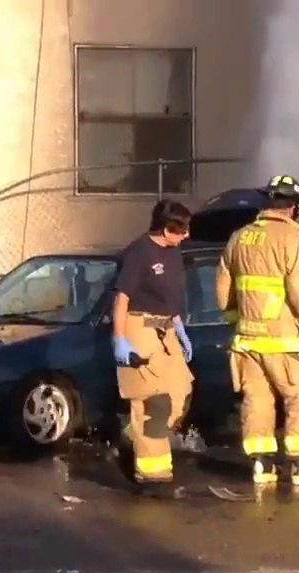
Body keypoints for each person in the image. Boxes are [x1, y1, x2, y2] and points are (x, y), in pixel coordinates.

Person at [215, 175, 299, 486]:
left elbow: (223, 289)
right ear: (295, 208)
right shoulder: (292, 241)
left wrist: (237, 319)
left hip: (248, 342)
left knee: (257, 400)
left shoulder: (239, 238)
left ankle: (261, 466)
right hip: (284, 342)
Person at [111, 199, 195, 499]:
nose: (186, 236)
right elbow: (121, 300)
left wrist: (178, 325)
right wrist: (120, 340)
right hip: (139, 327)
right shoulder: (139, 253)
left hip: (167, 329)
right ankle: (152, 476)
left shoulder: (174, 254)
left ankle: (129, 438)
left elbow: (170, 296)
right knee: (152, 405)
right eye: (181, 230)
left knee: (180, 393)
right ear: (165, 228)